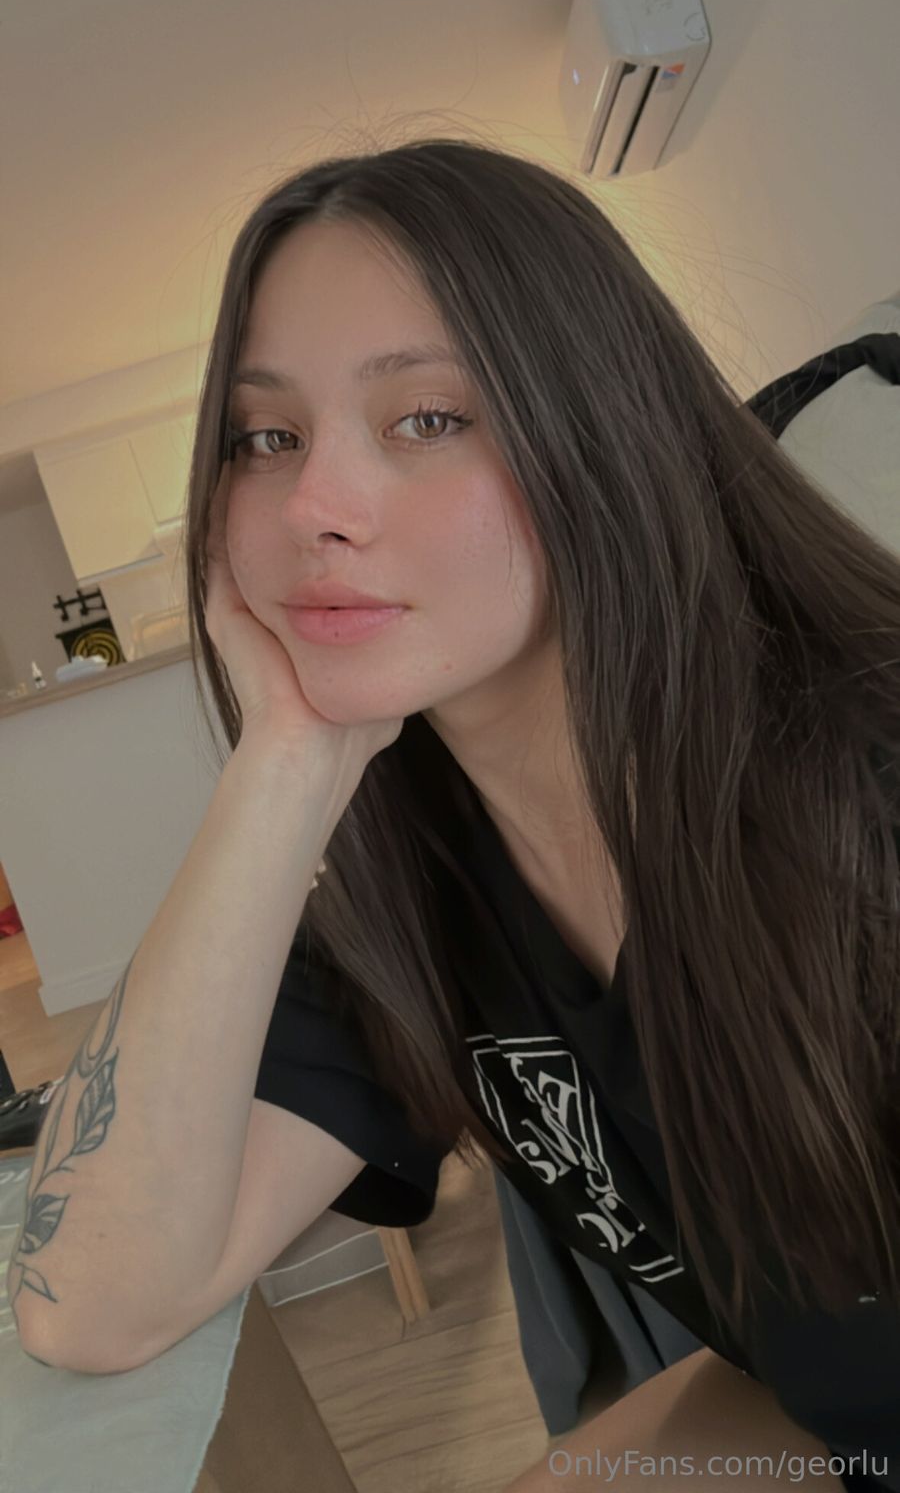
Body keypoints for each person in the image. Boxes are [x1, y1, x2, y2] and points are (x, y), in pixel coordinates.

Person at [9, 139, 899, 1491]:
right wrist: (286, 765)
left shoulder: (863, 800)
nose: (314, 507)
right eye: (266, 439)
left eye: (426, 418)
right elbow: (92, 1300)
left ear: (604, 428)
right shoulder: (415, 908)